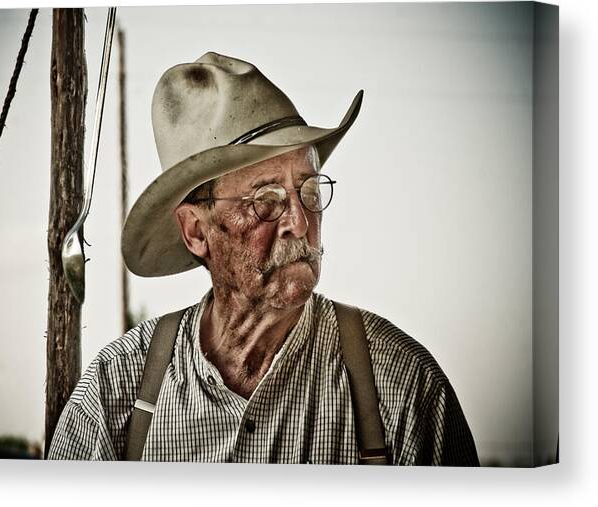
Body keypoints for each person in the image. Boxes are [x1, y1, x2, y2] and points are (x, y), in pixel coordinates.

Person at [48, 52, 479, 465]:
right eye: (266, 199)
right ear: (197, 231)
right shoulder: (114, 393)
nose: (298, 219)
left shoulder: (404, 388)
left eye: (308, 191)